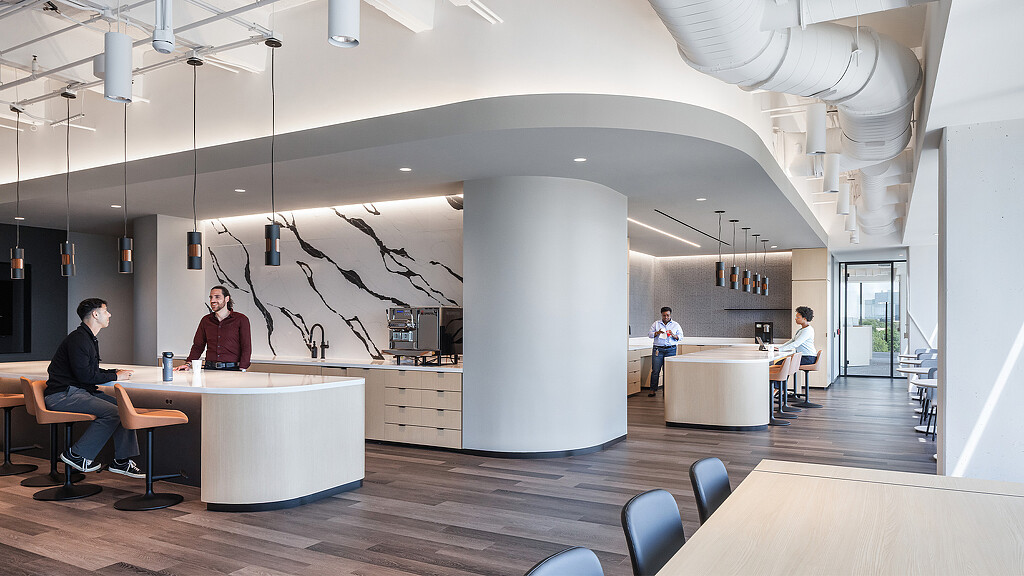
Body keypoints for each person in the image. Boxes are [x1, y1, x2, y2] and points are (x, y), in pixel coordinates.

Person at [45, 298, 143, 478]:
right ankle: (76, 455)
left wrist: (115, 371)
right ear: (95, 314)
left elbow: (89, 370)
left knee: (123, 408)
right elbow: (86, 376)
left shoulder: (87, 338)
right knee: (113, 413)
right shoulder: (79, 340)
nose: (110, 314)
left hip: (75, 392)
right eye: (106, 311)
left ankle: (121, 461)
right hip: (62, 395)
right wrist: (115, 376)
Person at [176, 285, 252, 372]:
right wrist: (188, 364)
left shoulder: (241, 319)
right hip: (209, 369)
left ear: (227, 299)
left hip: (232, 370)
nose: (212, 300)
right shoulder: (206, 320)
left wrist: (242, 369)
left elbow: (246, 347)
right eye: (211, 297)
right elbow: (198, 346)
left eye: (217, 297)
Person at [648, 306, 683, 397]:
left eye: (667, 315)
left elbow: (680, 337)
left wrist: (673, 335)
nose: (666, 317)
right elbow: (650, 335)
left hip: (671, 349)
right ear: (661, 315)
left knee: (668, 371)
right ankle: (652, 390)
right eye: (664, 315)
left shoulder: (675, 325)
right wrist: (657, 333)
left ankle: (667, 391)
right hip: (658, 349)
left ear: (670, 314)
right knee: (655, 370)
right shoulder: (656, 324)